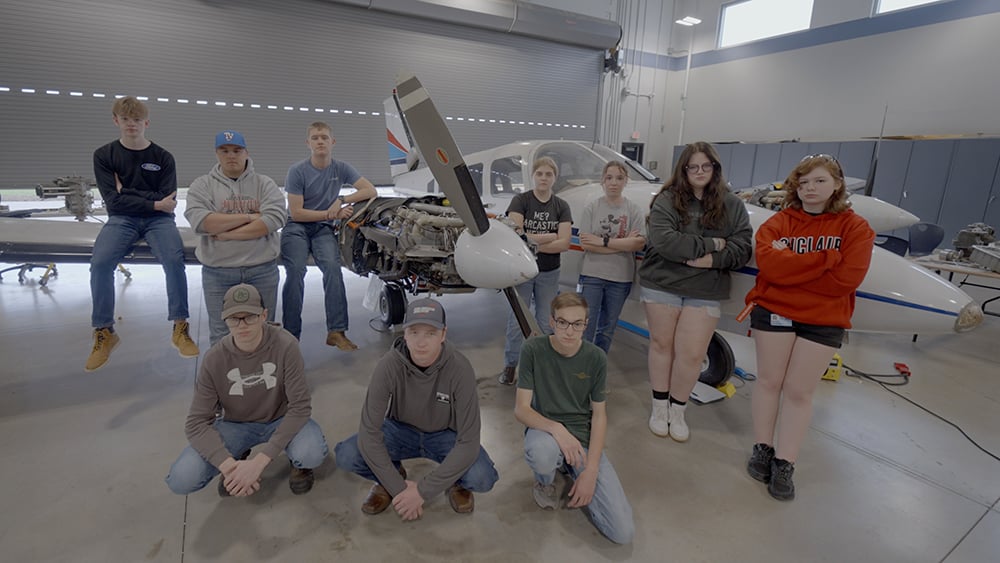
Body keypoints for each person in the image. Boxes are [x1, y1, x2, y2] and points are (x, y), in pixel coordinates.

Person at [744, 154, 875, 501]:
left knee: (799, 392)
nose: (810, 189)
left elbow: (846, 280)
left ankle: (785, 462)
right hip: (773, 312)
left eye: (819, 181)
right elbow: (771, 267)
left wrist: (795, 269)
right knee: (769, 382)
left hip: (824, 320)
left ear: (837, 185)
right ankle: (763, 448)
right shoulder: (778, 223)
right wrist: (825, 259)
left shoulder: (855, 228)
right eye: (803, 183)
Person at [334, 298, 499, 520]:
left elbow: (468, 442)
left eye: (430, 333)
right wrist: (399, 488)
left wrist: (422, 492)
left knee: (482, 477)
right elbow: (369, 433)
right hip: (399, 430)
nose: (421, 342)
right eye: (414, 332)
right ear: (405, 334)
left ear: (443, 334)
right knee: (348, 454)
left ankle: (455, 482)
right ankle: (389, 476)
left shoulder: (460, 368)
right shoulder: (388, 366)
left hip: (445, 435)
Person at [165, 283, 328, 497]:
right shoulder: (214, 359)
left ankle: (298, 463)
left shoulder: (286, 345)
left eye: (250, 317)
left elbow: (300, 408)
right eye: (234, 319)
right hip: (236, 424)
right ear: (224, 320)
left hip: (280, 418)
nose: (242, 326)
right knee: (182, 479)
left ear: (263, 315)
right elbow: (196, 423)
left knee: (311, 453)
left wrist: (260, 463)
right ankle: (237, 456)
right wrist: (229, 468)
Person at [638, 142, 753, 442]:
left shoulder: (732, 205)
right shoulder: (667, 199)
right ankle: (659, 407)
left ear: (715, 168)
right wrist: (715, 244)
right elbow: (665, 242)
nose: (699, 172)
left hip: (705, 289)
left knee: (691, 355)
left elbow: (742, 248)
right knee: (662, 346)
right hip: (662, 283)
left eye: (706, 166)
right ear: (684, 170)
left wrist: (712, 260)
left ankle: (678, 410)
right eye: (693, 167)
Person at [86, 96, 199, 372]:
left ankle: (180, 326)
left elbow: (168, 200)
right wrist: (150, 201)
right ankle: (104, 331)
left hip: (159, 221)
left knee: (174, 261)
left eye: (137, 119)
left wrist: (129, 193)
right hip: (121, 219)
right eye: (125, 119)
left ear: (146, 122)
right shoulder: (104, 156)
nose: (131, 124)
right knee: (100, 264)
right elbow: (113, 202)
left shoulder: (163, 157)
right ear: (116, 121)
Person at [514, 292, 634, 544]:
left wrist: (590, 471)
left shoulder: (595, 358)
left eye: (577, 324)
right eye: (563, 322)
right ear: (551, 322)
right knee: (542, 453)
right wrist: (557, 430)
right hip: (545, 430)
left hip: (582, 438)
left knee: (622, 533)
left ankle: (571, 466)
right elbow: (522, 409)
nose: (569, 331)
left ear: (586, 325)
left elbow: (600, 416)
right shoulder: (533, 349)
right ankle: (545, 482)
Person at [280, 121, 377, 351]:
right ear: (308, 143)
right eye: (315, 138)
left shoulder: (340, 168)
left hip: (323, 228)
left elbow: (370, 190)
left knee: (333, 269)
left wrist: (342, 200)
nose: (320, 141)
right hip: (297, 227)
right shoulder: (297, 171)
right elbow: (296, 212)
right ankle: (290, 336)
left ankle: (337, 331)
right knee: (295, 271)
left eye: (324, 137)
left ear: (332, 142)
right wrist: (330, 212)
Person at [185, 130, 287, 346]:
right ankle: (225, 379)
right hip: (218, 272)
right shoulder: (202, 185)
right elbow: (201, 221)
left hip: (262, 269)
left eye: (237, 150)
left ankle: (267, 376)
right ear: (217, 154)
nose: (231, 155)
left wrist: (225, 233)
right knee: (221, 333)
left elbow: (274, 219)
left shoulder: (264, 183)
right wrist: (250, 216)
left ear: (246, 152)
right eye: (225, 151)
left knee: (266, 329)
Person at [498, 156, 572, 385]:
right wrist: (550, 237)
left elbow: (565, 243)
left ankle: (542, 365)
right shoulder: (521, 201)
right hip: (522, 270)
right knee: (517, 320)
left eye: (548, 174)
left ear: (554, 178)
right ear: (533, 175)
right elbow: (516, 236)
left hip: (549, 272)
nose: (543, 178)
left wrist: (532, 240)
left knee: (544, 319)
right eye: (540, 173)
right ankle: (511, 365)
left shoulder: (561, 206)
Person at [576, 161, 647, 355]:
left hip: (620, 279)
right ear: (602, 181)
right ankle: (580, 367)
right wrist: (623, 245)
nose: (613, 182)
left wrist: (602, 242)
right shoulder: (592, 208)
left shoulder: (633, 210)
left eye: (619, 178)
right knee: (586, 326)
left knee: (607, 329)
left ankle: (597, 366)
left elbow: (638, 244)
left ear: (626, 181)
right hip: (592, 276)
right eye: (609, 178)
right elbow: (585, 244)